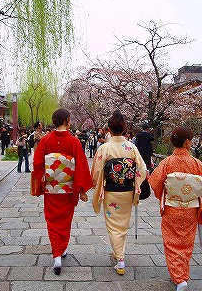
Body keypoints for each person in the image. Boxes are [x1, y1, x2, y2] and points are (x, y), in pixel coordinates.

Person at [32, 108, 93, 275]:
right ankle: (61, 250)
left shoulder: (45, 140)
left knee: (52, 220)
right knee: (65, 221)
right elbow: (80, 166)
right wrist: (81, 189)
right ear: (67, 120)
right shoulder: (74, 142)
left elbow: (37, 163)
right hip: (67, 189)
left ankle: (57, 254)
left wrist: (45, 178)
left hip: (52, 189)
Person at [91, 110, 147, 275]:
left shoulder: (104, 148)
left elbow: (96, 171)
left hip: (111, 192)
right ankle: (118, 253)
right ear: (124, 129)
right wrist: (136, 183)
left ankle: (120, 259)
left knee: (113, 225)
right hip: (127, 191)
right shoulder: (131, 147)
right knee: (122, 224)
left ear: (109, 129)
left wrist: (95, 183)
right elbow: (142, 168)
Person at [148, 126, 202, 291]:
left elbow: (155, 184)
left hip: (172, 209)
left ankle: (179, 278)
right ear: (187, 142)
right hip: (191, 210)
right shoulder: (197, 164)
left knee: (172, 243)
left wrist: (165, 195)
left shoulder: (166, 163)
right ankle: (182, 274)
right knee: (186, 243)